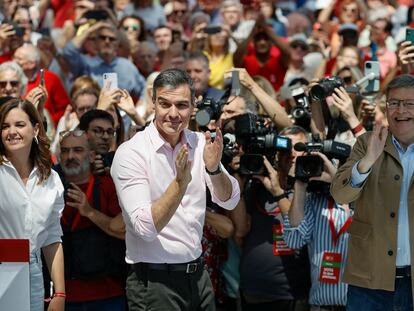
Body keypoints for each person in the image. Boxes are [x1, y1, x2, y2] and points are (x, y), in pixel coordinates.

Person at [110, 68, 240, 310]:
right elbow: (145, 228)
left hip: (199, 276)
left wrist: (213, 169)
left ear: (193, 106)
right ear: (153, 103)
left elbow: (229, 200)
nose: (173, 114)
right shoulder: (131, 153)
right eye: (165, 104)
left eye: (181, 105)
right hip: (154, 281)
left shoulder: (200, 143)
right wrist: (180, 184)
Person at [331, 74, 414, 310]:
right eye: (394, 103)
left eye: (409, 103)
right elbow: (340, 195)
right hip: (369, 280)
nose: (401, 110)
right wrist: (368, 161)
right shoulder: (368, 142)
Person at [0, 99, 65, 311]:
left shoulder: (51, 178)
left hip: (33, 271)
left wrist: (60, 293)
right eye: (4, 126)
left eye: (19, 125)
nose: (11, 131)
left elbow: (52, 237)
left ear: (36, 128)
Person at [56, 129, 126, 310]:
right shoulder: (50, 190)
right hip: (65, 296)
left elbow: (126, 231)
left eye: (78, 150)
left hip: (109, 294)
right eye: (64, 151)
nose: (70, 156)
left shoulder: (108, 186)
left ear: (91, 155)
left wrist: (89, 212)